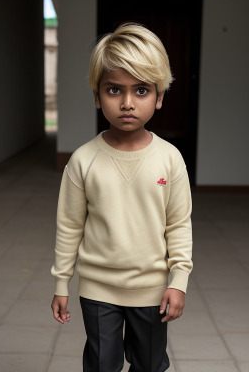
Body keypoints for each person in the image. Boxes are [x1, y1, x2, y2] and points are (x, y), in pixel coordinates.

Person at [51, 22, 193, 372]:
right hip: (98, 291)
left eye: (141, 90)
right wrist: (61, 282)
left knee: (149, 364)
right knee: (102, 364)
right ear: (97, 97)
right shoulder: (83, 161)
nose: (128, 103)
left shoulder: (169, 159)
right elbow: (69, 226)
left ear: (159, 97)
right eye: (114, 90)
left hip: (151, 290)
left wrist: (179, 281)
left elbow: (178, 224)